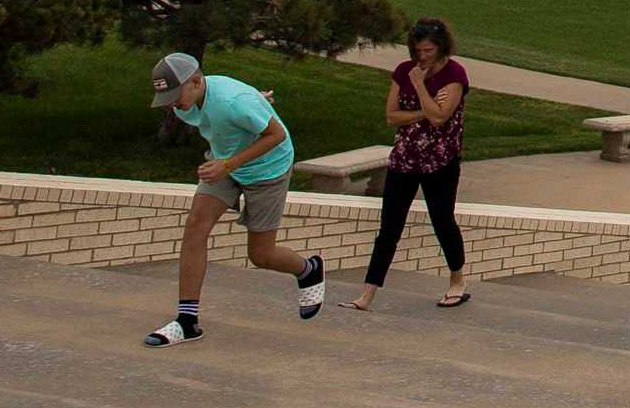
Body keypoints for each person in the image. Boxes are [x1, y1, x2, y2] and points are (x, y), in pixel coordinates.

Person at [143, 51, 325, 344]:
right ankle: (186, 321)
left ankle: (309, 270)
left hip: (268, 168)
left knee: (261, 255)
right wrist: (229, 157)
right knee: (195, 228)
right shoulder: (187, 103)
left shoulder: (233, 100)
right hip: (226, 164)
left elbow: (276, 135)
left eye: (176, 94)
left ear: (197, 81)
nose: (173, 104)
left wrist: (229, 160)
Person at [345, 17, 472, 312]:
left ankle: (457, 280)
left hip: (441, 162)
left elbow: (442, 118)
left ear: (441, 48)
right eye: (418, 50)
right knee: (389, 227)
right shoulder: (404, 71)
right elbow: (392, 116)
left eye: (428, 50)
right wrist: (422, 108)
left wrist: (419, 87)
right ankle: (367, 293)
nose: (422, 56)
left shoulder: (455, 74)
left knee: (442, 221)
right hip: (405, 158)